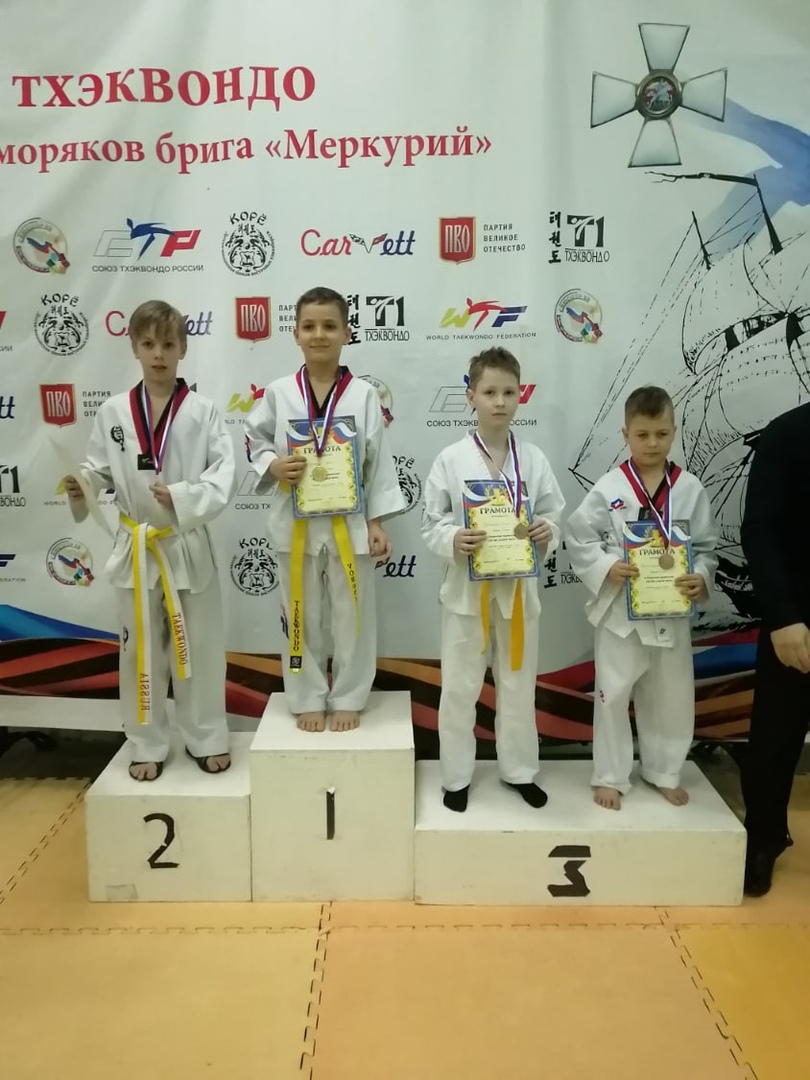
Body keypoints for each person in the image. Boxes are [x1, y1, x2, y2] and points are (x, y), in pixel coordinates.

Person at [64, 300, 235, 781]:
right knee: (139, 650)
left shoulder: (203, 412)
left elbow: (224, 477)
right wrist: (83, 485)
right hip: (137, 547)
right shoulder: (114, 411)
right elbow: (98, 469)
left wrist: (181, 496)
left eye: (167, 344)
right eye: (148, 344)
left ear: (183, 348)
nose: (158, 354)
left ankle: (207, 736)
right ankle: (145, 742)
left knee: (200, 647)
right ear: (134, 348)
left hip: (185, 541)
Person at [244, 286, 404, 733]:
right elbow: (252, 439)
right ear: (295, 333)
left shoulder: (364, 395)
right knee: (299, 615)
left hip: (349, 525)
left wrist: (376, 522)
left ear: (347, 333)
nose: (319, 335)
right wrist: (273, 465)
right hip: (292, 523)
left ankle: (350, 695)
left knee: (353, 616)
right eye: (310, 326)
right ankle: (306, 696)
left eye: (330, 326)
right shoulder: (278, 393)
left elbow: (377, 462)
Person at [420, 347, 565, 811]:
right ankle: (456, 777)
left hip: (519, 596)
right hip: (467, 596)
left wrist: (547, 530)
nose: (499, 401)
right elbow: (431, 522)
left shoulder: (534, 459)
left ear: (520, 395)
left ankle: (519, 770)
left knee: (518, 686)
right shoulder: (451, 459)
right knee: (459, 688)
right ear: (471, 397)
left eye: (508, 392)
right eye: (489, 392)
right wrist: (452, 537)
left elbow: (553, 513)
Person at [565, 386, 719, 810]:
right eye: (643, 435)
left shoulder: (689, 488)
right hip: (621, 613)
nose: (652, 443)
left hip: (671, 610)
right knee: (612, 694)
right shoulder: (610, 486)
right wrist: (606, 567)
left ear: (674, 432)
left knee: (671, 696)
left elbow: (706, 547)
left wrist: (702, 576)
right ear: (625, 434)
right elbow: (578, 538)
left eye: (662, 434)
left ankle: (664, 770)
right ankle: (610, 776)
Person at [740, 404, 810, 896]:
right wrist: (783, 616)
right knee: (776, 737)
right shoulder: (788, 433)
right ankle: (764, 836)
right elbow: (760, 531)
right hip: (798, 618)